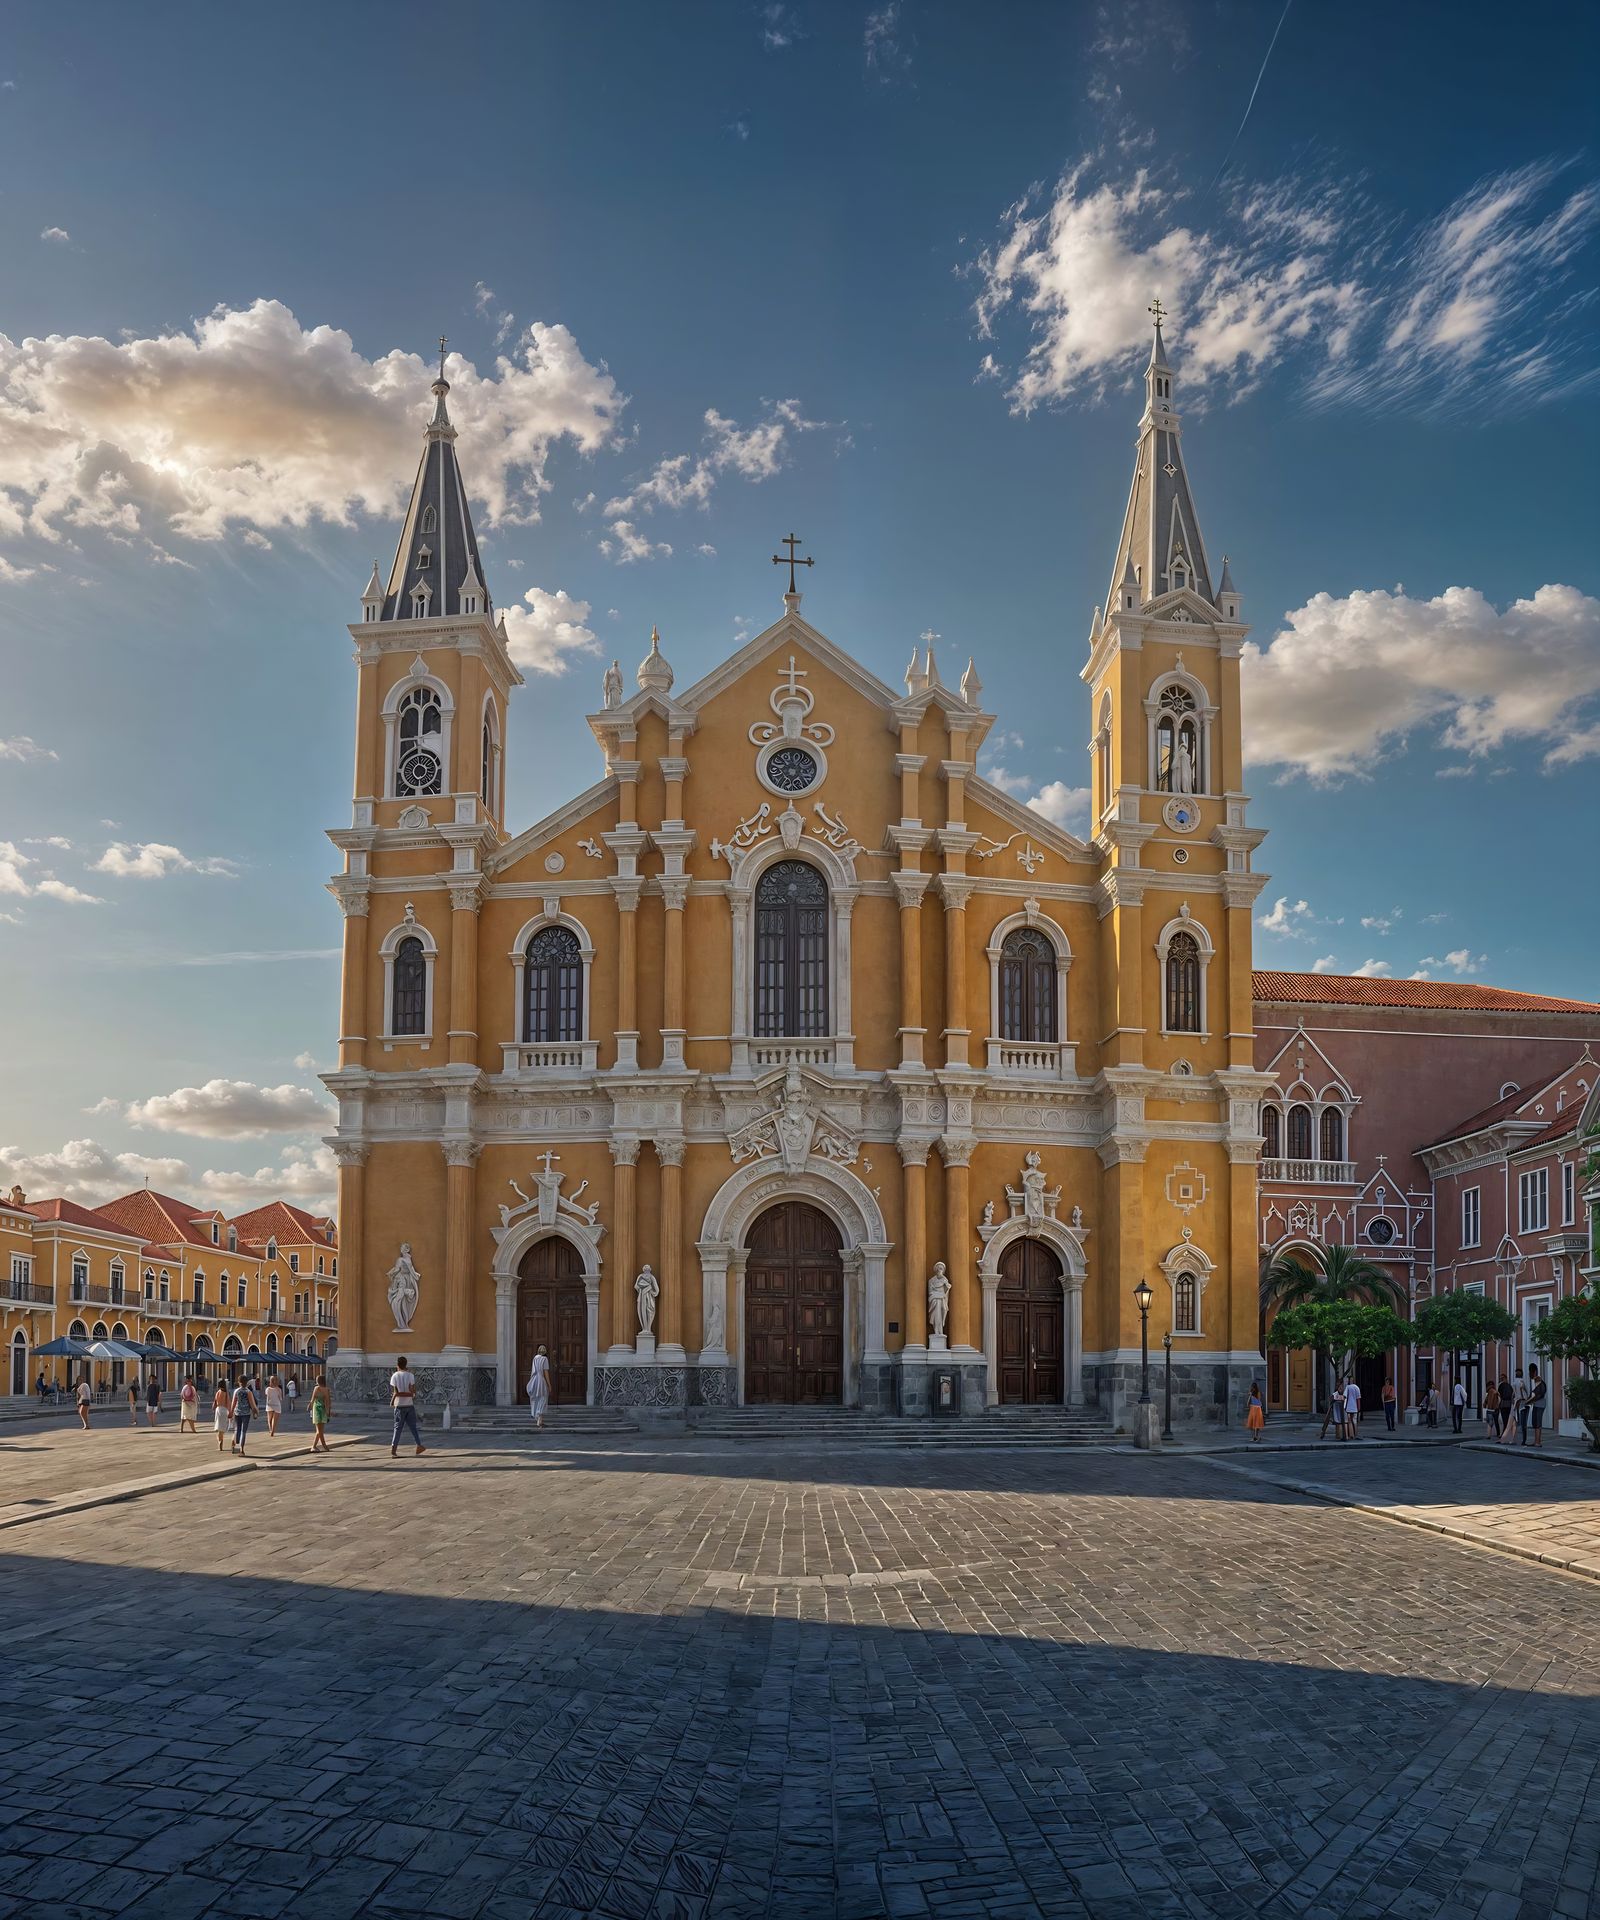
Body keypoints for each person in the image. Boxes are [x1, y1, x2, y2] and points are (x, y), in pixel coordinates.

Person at [389, 1356, 426, 1458]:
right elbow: (413, 1392)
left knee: (397, 1428)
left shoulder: (394, 1376)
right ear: (406, 1365)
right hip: (409, 1405)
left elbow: (395, 1393)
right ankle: (419, 1445)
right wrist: (409, 1394)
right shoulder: (410, 1375)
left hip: (399, 1405)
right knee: (413, 1427)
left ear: (397, 1365)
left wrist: (392, 1401)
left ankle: (393, 1450)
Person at [230, 1375, 259, 1455]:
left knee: (237, 1429)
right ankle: (241, 1449)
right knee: (243, 1431)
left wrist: (231, 1412)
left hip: (237, 1413)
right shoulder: (248, 1392)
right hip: (246, 1413)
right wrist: (256, 1412)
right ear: (247, 1383)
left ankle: (234, 1442)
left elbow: (233, 1402)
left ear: (239, 1382)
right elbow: (252, 1404)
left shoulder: (236, 1391)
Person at [526, 1345, 551, 1431]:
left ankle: (538, 1419)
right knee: (543, 1398)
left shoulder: (535, 1358)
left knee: (535, 1399)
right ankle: (539, 1420)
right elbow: (546, 1373)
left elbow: (533, 1371)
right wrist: (549, 1384)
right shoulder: (545, 1359)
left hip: (534, 1380)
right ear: (545, 1351)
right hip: (541, 1380)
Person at [309, 1374, 330, 1454]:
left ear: (318, 1381)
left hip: (317, 1409)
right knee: (320, 1430)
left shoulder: (316, 1388)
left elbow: (312, 1399)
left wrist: (309, 1407)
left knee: (319, 1430)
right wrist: (328, 1412)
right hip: (323, 1409)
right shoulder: (326, 1389)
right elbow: (328, 1402)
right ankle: (322, 1446)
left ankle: (315, 1446)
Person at [1320, 1377, 1344, 1441]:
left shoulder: (1342, 1391)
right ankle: (1324, 1433)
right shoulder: (1335, 1393)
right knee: (1329, 1421)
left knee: (1338, 1422)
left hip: (1339, 1409)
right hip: (1334, 1408)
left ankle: (1339, 1435)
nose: (1340, 1388)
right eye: (1339, 1387)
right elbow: (1331, 1399)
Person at [1529, 1365, 1547, 1448]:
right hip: (1538, 1403)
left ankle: (1538, 1442)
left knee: (1537, 1422)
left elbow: (1538, 1394)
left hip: (1539, 1403)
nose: (1529, 1374)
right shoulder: (1536, 1380)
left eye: (1530, 1372)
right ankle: (1536, 1441)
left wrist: (1529, 1401)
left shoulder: (1538, 1380)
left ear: (1534, 1371)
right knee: (1536, 1422)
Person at [1513, 1371, 1531, 1446]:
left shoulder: (1514, 1383)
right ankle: (1523, 1439)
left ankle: (1520, 1439)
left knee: (1518, 1422)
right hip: (1525, 1402)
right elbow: (1528, 1392)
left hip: (1519, 1403)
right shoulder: (1524, 1381)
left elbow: (1514, 1394)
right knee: (1523, 1423)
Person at [212, 1381, 230, 1453]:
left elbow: (214, 1403)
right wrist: (230, 1411)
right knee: (222, 1428)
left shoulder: (218, 1392)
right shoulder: (226, 1393)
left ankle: (220, 1443)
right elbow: (228, 1403)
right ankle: (221, 1442)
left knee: (219, 1427)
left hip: (218, 1409)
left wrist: (214, 1408)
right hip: (224, 1409)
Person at [1343, 1375, 1362, 1440]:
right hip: (1355, 1407)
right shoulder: (1357, 1387)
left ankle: (1351, 1434)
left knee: (1349, 1421)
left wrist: (1344, 1406)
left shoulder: (1347, 1387)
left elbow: (1345, 1397)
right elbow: (1358, 1398)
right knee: (1355, 1421)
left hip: (1348, 1407)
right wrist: (1359, 1407)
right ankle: (1355, 1434)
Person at [1497, 1376, 1514, 1443]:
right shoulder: (1510, 1386)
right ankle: (1508, 1436)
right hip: (1509, 1404)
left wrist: (1498, 1405)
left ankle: (1504, 1436)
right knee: (1508, 1421)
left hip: (1503, 1404)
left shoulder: (1500, 1386)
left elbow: (1499, 1396)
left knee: (1504, 1421)